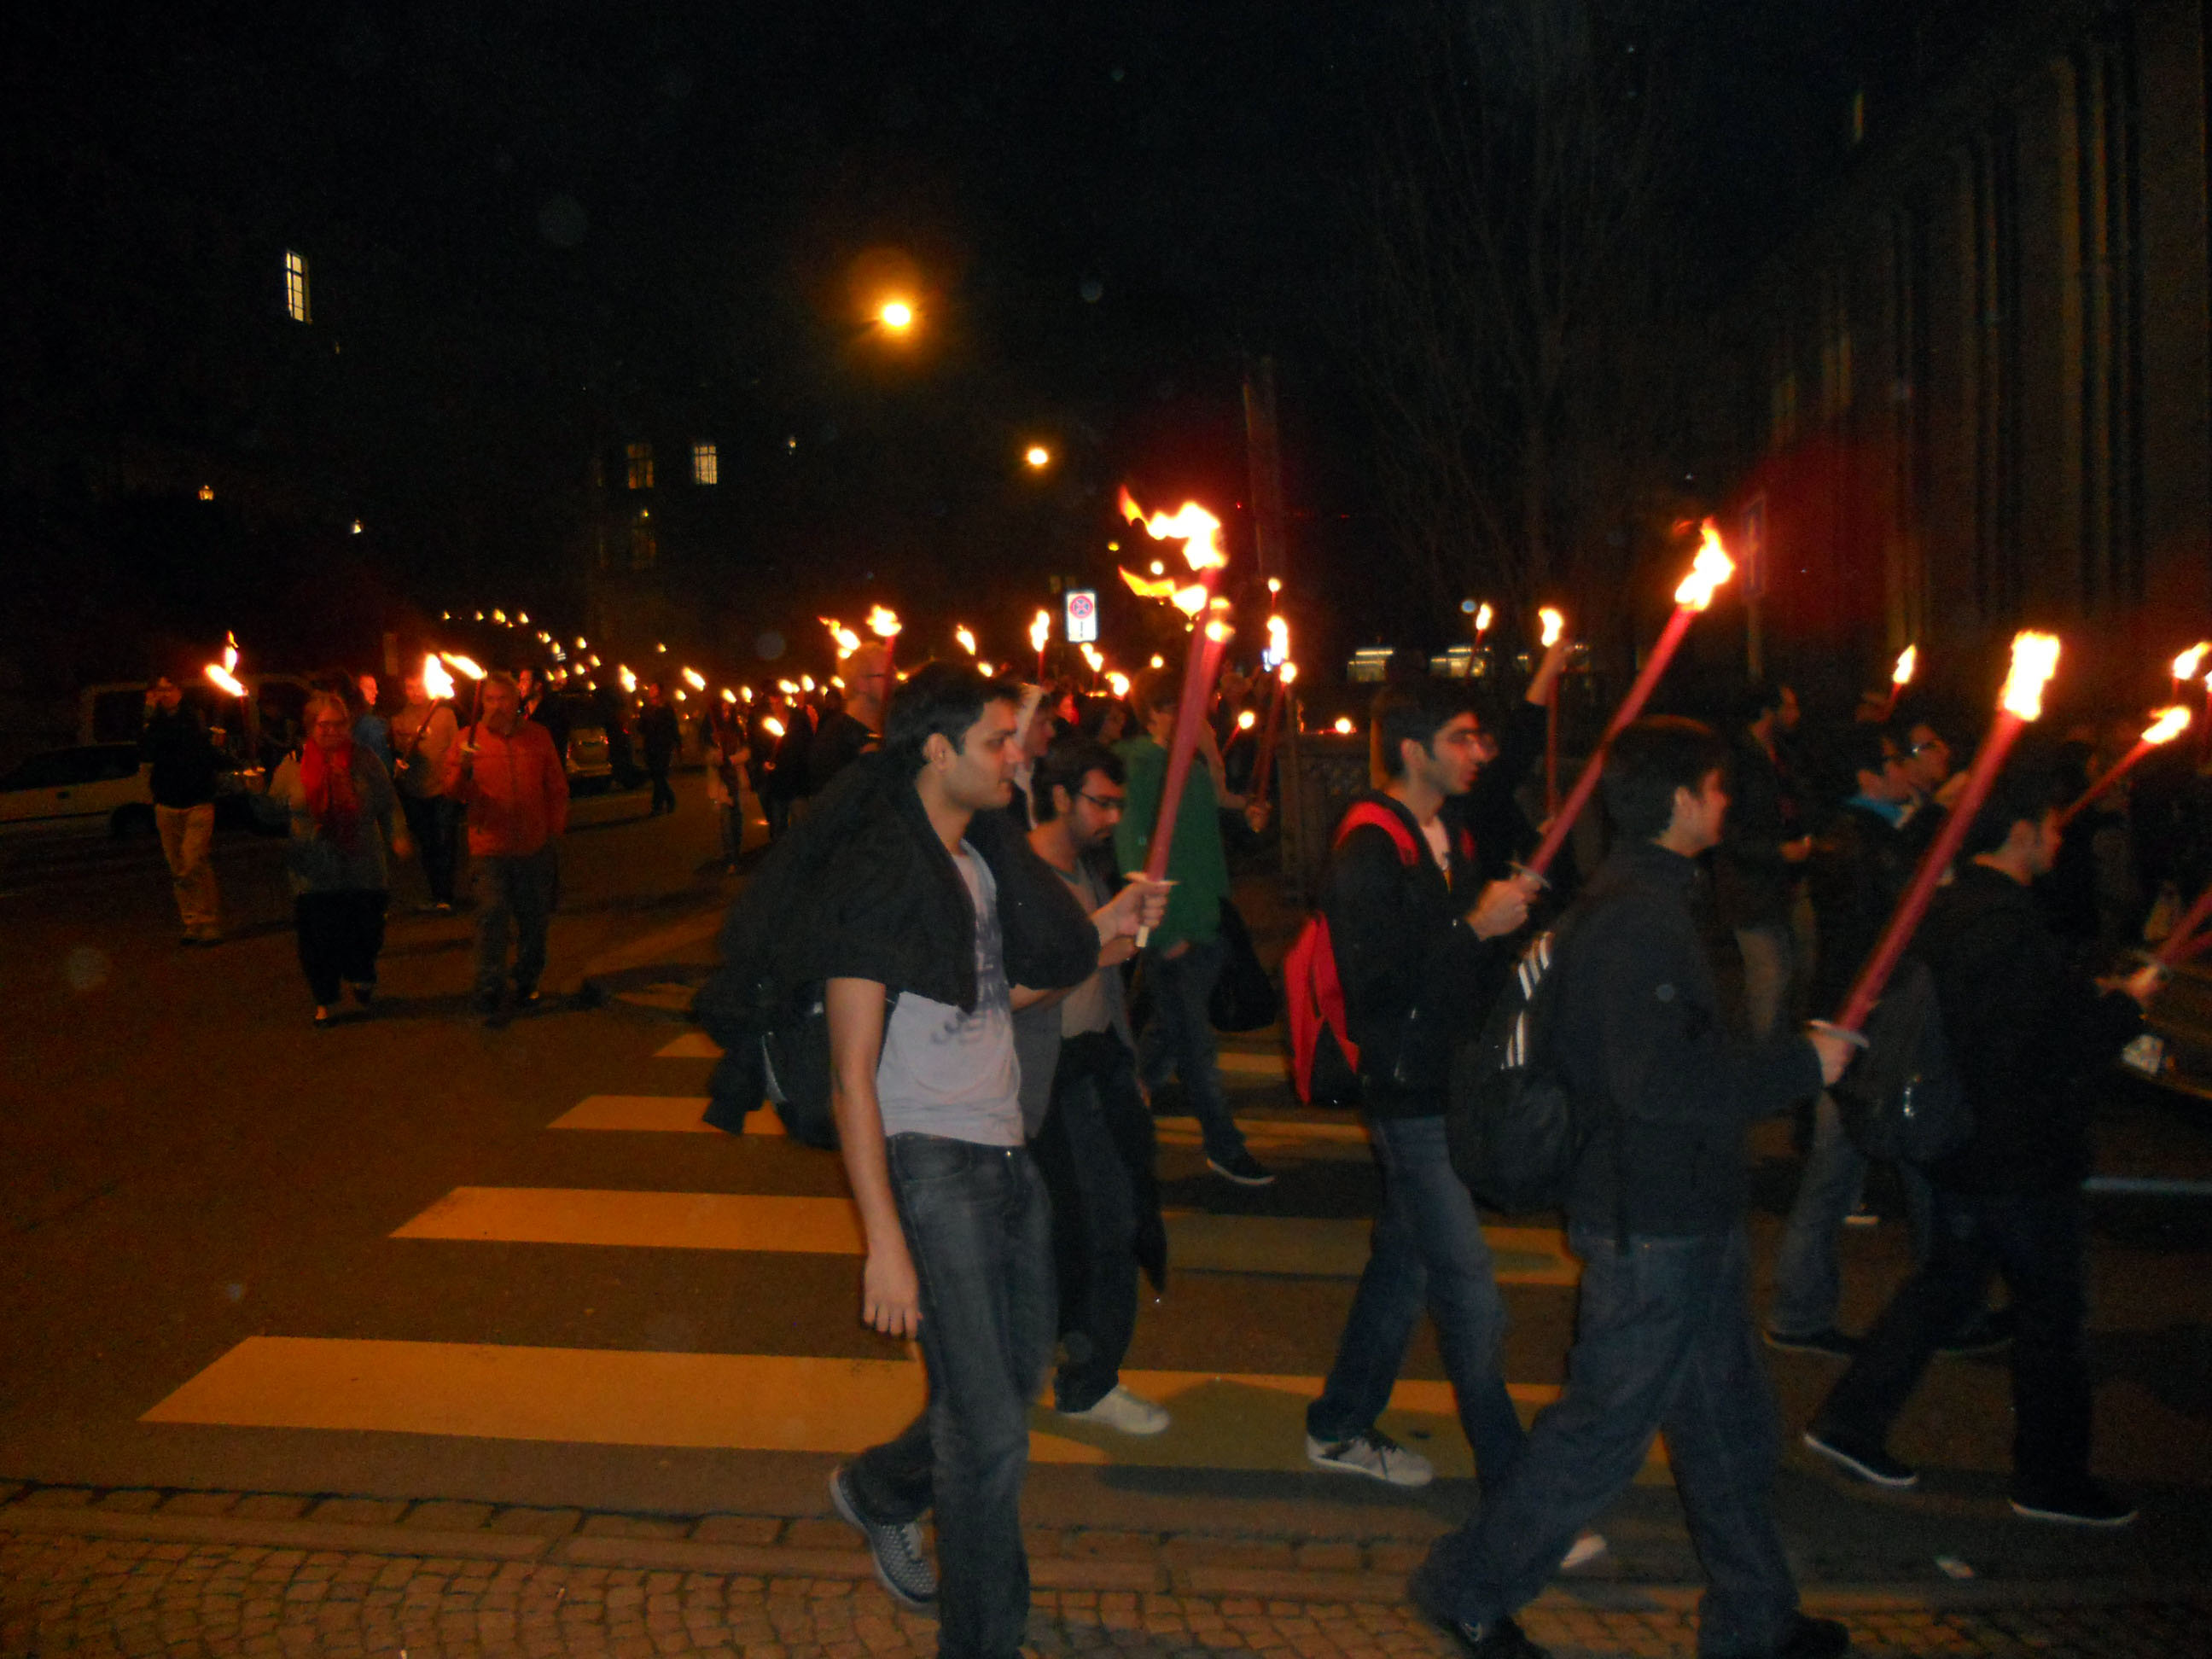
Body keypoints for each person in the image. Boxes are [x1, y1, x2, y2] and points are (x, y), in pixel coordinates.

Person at [1412, 717, 1854, 1659]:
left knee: (1726, 1431)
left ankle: (1755, 1617)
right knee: (1598, 1436)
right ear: (1683, 799)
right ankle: (1467, 1587)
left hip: (1684, 1216)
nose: (1728, 802)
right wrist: (1799, 1069)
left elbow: (1672, 1063)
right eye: (1719, 786)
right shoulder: (1637, 922)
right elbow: (1655, 1085)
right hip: (1651, 1226)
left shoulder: (1649, 905)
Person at [818, 665, 1162, 1653]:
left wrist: (1102, 936)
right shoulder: (878, 874)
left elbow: (987, 999)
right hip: (931, 1164)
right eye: (999, 742)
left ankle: (879, 1489)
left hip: (1006, 1152)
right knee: (992, 1438)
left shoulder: (975, 865)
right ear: (937, 752)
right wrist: (882, 1238)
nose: (1020, 757)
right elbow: (851, 1073)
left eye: (1021, 738)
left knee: (1004, 1395)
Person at [1805, 752, 2160, 1528]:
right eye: (2052, 830)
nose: (2059, 843)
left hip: (1963, 1142)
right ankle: (2050, 1477)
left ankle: (1852, 1421)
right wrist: (2124, 1010)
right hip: (2018, 1152)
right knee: (2052, 1318)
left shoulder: (1954, 907)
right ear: (2024, 835)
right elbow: (2046, 1044)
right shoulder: (2006, 926)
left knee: (1945, 1287)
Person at [1305, 681, 1536, 1491]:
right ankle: (1517, 1491)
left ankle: (1338, 1423)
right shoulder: (1369, 847)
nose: (1481, 753)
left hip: (1449, 1078)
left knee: (1404, 1268)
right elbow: (1376, 987)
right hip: (1408, 1093)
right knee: (1471, 1292)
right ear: (1414, 751)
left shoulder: (1450, 831)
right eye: (1464, 738)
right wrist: (1475, 926)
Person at [1015, 736, 1173, 1436]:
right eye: (1100, 802)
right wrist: (1100, 940)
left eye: (1118, 803)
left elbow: (1103, 979)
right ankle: (1082, 1375)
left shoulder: (1088, 869)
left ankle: (1080, 1366)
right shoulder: (1021, 873)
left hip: (1096, 1063)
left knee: (1115, 1219)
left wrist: (1128, 1062)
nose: (1112, 816)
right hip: (1046, 1078)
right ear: (1060, 795)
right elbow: (1023, 991)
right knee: (1087, 1230)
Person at [1766, 725, 1921, 1356]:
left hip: (1853, 1014)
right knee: (1837, 1171)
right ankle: (1799, 1313)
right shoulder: (1867, 843)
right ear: (1866, 778)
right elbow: (1883, 924)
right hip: (1862, 1020)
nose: (1904, 766)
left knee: (1844, 1171)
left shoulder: (1857, 836)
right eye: (1893, 758)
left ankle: (1801, 1310)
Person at [1115, 668, 1272, 1186]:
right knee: (1196, 1048)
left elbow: (1211, 814)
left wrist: (1243, 808)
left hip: (1207, 917)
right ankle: (1225, 1148)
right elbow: (1132, 847)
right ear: (1159, 713)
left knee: (1169, 1036)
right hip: (1176, 925)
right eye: (1186, 707)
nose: (1198, 717)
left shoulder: (1188, 764)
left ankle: (1115, 1118)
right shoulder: (1139, 766)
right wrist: (1162, 932)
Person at [262, 690, 411, 1025]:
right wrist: (255, 793)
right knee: (318, 938)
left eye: (338, 724)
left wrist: (398, 835)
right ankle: (325, 998)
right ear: (310, 727)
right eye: (323, 725)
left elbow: (388, 805)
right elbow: (270, 816)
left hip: (363, 865)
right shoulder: (292, 767)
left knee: (365, 930)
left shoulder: (366, 761)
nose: (331, 731)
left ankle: (362, 973)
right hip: (314, 871)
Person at [444, 672, 569, 1015]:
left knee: (534, 919)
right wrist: (463, 770)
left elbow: (556, 785)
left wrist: (553, 827)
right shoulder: (467, 739)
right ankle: (489, 986)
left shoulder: (538, 737)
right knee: (491, 914)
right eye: (490, 699)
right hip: (490, 847)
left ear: (517, 702)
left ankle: (528, 980)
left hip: (533, 845)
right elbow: (453, 792)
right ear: (481, 703)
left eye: (504, 699)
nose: (497, 706)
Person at [1716, 682, 1813, 1042]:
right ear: (1766, 712)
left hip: (1788, 883)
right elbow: (1727, 829)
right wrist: (1775, 852)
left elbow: (1796, 803)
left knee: (1794, 970)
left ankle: (1765, 1050)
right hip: (1750, 886)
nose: (1794, 716)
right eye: (1786, 707)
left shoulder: (1784, 755)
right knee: (1768, 974)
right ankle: (1761, 1064)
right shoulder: (1736, 759)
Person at [140, 674, 225, 946]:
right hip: (167, 802)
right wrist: (149, 715)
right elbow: (145, 751)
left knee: (193, 861)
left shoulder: (193, 717)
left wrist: (221, 752)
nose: (164, 694)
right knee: (178, 867)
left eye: (170, 688)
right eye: (158, 689)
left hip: (197, 800)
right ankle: (192, 922)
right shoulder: (152, 722)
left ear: (180, 690)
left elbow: (206, 753)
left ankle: (209, 921)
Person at [390, 670, 463, 911]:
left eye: (419, 686)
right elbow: (401, 755)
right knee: (428, 844)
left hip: (442, 790)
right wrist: (404, 757)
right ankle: (436, 892)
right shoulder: (399, 720)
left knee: (445, 842)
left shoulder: (445, 715)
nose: (415, 692)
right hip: (416, 792)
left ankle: (446, 894)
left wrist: (456, 776)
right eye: (409, 687)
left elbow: (455, 750)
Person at [809, 643, 891, 795]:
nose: (893, 682)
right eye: (886, 676)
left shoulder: (892, 730)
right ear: (861, 684)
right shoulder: (833, 741)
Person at [704, 696, 753, 871]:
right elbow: (709, 757)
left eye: (728, 710)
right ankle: (731, 857)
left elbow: (746, 752)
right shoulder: (712, 733)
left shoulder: (737, 731)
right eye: (723, 710)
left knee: (737, 821)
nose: (726, 713)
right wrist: (717, 757)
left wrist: (731, 760)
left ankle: (736, 853)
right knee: (726, 821)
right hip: (722, 785)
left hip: (737, 781)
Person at [638, 682, 680, 814]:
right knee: (656, 775)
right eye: (650, 688)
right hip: (651, 746)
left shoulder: (667, 708)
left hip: (663, 746)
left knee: (659, 775)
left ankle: (659, 805)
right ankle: (668, 800)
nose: (651, 690)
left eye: (654, 688)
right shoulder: (646, 708)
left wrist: (678, 743)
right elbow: (641, 728)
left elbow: (673, 726)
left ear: (660, 692)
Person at [518, 667, 570, 764]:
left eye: (524, 681)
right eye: (520, 681)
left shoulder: (552, 714)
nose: (520, 686)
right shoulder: (520, 712)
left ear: (537, 685)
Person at [353, 674, 394, 773]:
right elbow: (382, 763)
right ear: (358, 691)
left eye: (376, 688)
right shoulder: (371, 724)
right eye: (370, 688)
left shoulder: (349, 717)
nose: (376, 692)